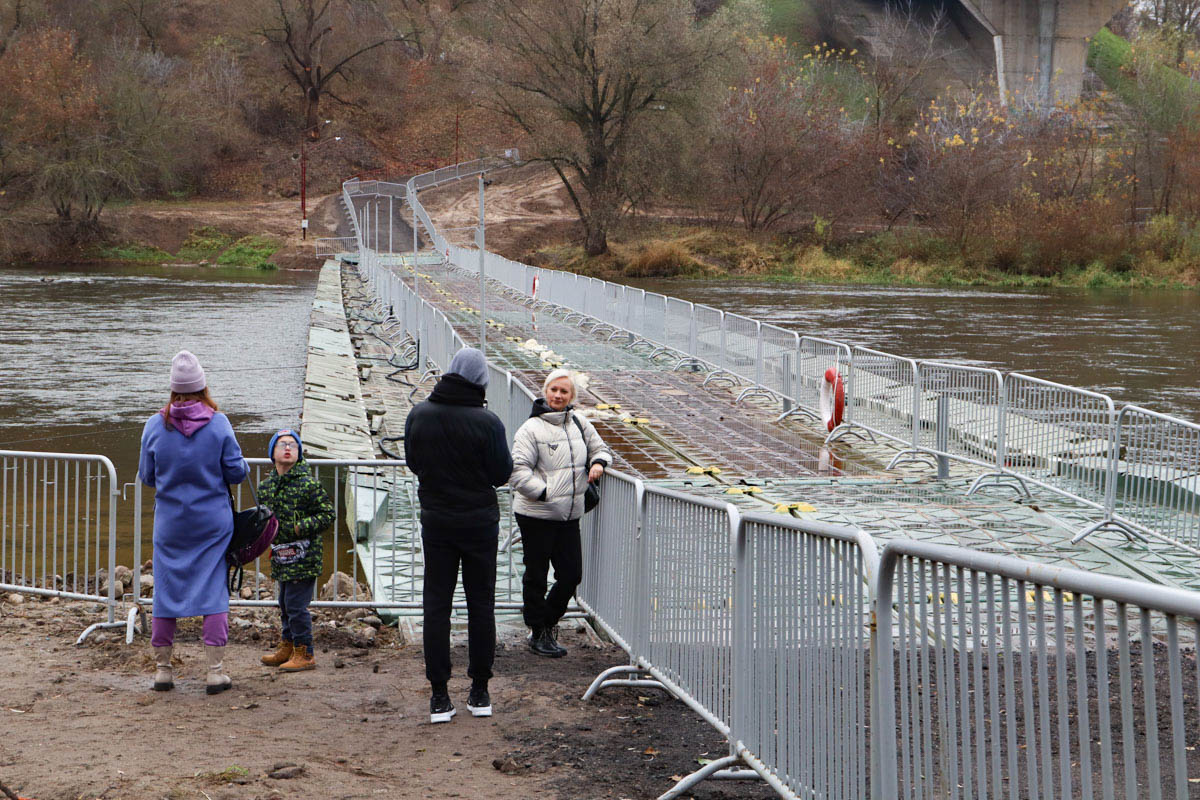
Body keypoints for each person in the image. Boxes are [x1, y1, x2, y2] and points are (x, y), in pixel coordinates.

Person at [404, 347, 513, 724]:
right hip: (479, 523)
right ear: (482, 382)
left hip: (436, 522)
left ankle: (439, 696)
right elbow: (501, 474)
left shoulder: (419, 415)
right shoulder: (489, 423)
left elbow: (413, 463)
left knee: (436, 606)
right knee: (480, 604)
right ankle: (479, 691)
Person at [138, 350, 247, 695]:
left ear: (172, 390)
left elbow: (148, 476)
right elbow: (236, 471)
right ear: (202, 387)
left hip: (170, 523)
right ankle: (214, 672)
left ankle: (163, 671)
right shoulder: (219, 423)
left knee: (165, 592)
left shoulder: (155, 425)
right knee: (213, 592)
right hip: (212, 524)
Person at [509, 368, 611, 658]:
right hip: (536, 515)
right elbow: (517, 472)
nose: (557, 395)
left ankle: (548, 622)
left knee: (570, 575)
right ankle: (538, 632)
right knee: (537, 575)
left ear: (571, 397)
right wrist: (545, 493)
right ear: (545, 392)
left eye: (564, 391)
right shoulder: (531, 429)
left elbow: (600, 447)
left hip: (569, 515)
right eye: (553, 389)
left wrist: (599, 463)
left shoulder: (579, 422)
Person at [257, 429, 335, 672]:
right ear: (273, 453)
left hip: (305, 557)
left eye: (293, 444)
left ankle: (305, 652)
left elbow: (328, 514)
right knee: (283, 602)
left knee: (295, 605)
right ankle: (288, 646)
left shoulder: (309, 485)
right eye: (282, 444)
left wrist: (300, 527)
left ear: (299, 452)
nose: (288, 448)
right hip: (281, 556)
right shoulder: (266, 487)